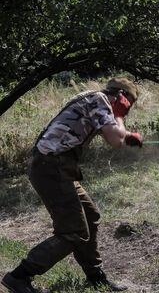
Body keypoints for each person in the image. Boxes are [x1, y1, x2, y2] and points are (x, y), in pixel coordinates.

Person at [1, 77, 143, 293]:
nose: (126, 111)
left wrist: (127, 135)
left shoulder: (94, 101)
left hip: (56, 166)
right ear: (121, 97)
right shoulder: (99, 100)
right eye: (127, 105)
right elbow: (116, 141)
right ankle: (19, 276)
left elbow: (115, 137)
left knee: (90, 215)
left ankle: (95, 277)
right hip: (51, 166)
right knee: (74, 231)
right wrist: (121, 117)